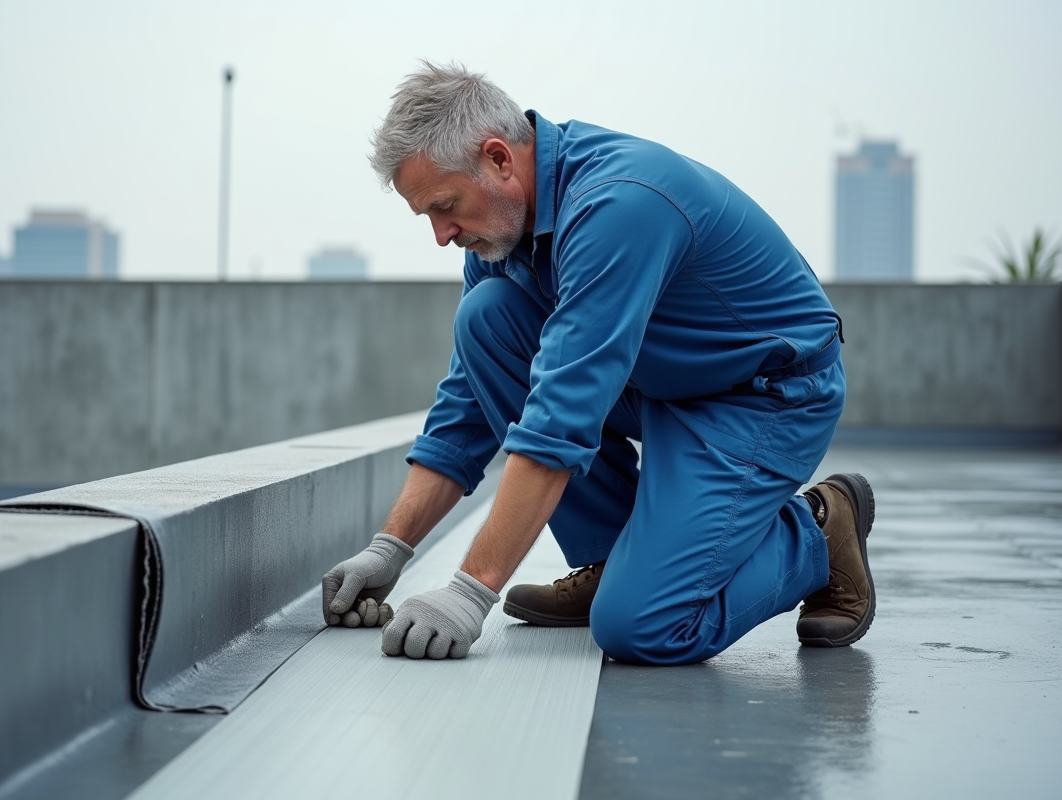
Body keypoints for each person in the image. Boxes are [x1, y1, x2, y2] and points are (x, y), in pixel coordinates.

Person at [320, 61, 876, 664]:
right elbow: (465, 407)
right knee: (487, 316)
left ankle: (819, 527)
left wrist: (468, 591)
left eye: (445, 206)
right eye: (427, 215)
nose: (441, 234)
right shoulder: (501, 232)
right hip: (660, 379)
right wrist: (390, 549)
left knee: (642, 629)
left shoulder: (619, 206)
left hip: (759, 396)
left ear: (499, 158)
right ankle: (617, 559)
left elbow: (561, 415)